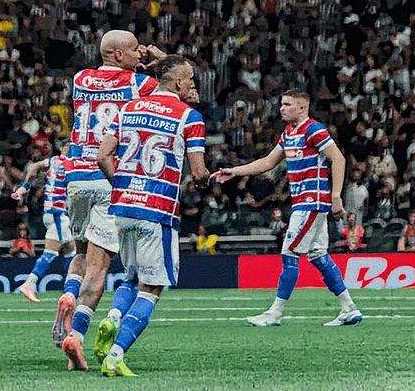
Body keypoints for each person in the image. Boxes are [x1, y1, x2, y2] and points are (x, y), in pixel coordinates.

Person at [78, 55, 208, 376]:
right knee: (152, 289)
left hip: (122, 208)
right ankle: (116, 355)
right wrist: (210, 177)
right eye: (190, 79)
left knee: (131, 277)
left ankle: (112, 317)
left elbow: (102, 155)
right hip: (157, 211)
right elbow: (198, 171)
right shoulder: (190, 117)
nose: (193, 84)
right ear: (178, 83)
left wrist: (121, 185)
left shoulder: (129, 108)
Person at [212, 90, 362, 327]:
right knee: (318, 255)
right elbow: (267, 163)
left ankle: (275, 313)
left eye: (287, 104)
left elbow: (339, 158)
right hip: (304, 202)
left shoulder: (313, 129)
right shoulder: (288, 133)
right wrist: (234, 171)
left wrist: (336, 197)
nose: (281, 108)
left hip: (311, 202)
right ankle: (349, 308)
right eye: (282, 104)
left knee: (289, 254)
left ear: (302, 107)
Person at [56, 29, 163, 354]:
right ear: (118, 54)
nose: (139, 54)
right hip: (107, 176)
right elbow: (173, 93)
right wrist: (158, 62)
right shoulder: (140, 84)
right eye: (134, 50)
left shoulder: (80, 79)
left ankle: (69, 294)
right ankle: (77, 335)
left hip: (75, 178)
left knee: (80, 254)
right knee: (99, 266)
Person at [12, 143, 76, 304]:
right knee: (52, 252)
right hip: (57, 213)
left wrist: (24, 187)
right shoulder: (71, 163)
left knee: (70, 250)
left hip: (52, 212)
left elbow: (34, 166)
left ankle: (72, 289)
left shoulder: (54, 161)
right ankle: (29, 283)